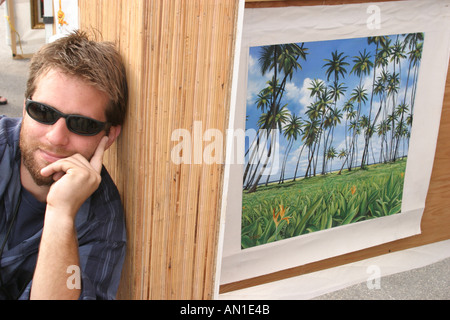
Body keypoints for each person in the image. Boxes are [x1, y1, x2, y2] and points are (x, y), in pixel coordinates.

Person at [0, 30, 128, 300]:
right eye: (43, 112)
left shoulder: (103, 220)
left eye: (81, 124)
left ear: (110, 136)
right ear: (24, 108)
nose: (56, 138)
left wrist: (61, 213)